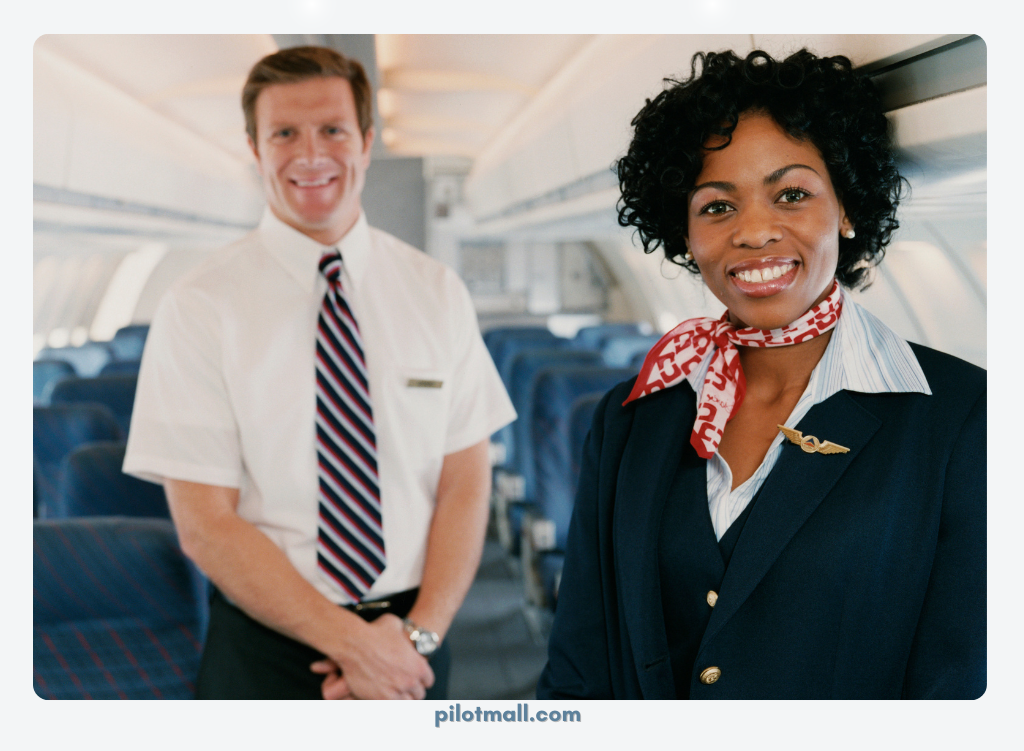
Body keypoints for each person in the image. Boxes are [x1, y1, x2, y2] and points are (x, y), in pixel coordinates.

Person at [537, 49, 985, 699]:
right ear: (685, 232)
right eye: (718, 207)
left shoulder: (963, 417)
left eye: (792, 195)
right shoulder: (633, 417)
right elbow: (581, 662)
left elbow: (958, 685)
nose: (753, 231)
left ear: (848, 208)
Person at [123, 46, 516, 700]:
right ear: (255, 148)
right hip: (267, 642)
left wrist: (414, 640)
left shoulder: (435, 290)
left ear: (365, 141)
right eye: (284, 133)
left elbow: (466, 482)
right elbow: (205, 524)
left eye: (332, 129)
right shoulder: (199, 304)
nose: (311, 154)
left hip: (414, 637)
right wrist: (352, 646)